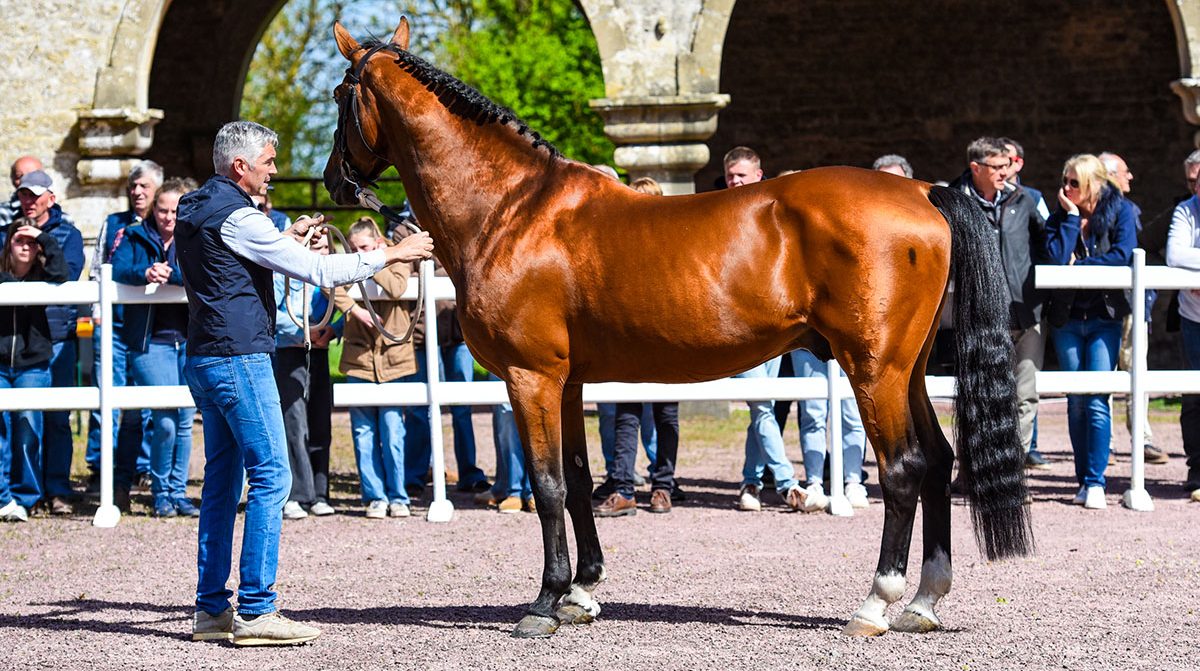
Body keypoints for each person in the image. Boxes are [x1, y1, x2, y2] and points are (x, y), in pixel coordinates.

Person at [177, 121, 433, 645]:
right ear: (240, 166)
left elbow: (236, 263)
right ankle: (256, 609)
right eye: (268, 161)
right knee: (273, 475)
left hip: (205, 356)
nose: (274, 170)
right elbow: (318, 272)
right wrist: (392, 253)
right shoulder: (241, 217)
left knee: (222, 482)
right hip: (241, 358)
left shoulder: (196, 208)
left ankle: (211, 609)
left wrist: (285, 240)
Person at [1044, 154, 1137, 510]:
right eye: (1065, 181)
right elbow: (1055, 259)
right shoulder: (1061, 216)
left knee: (1097, 398)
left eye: (1074, 183)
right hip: (1067, 318)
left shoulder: (1120, 210)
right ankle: (1082, 479)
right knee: (1076, 401)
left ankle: (1096, 482)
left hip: (1104, 315)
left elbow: (1123, 254)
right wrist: (1070, 218)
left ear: (1094, 184)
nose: (1066, 188)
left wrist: (1080, 266)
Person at [949, 137, 1048, 471]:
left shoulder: (1026, 198)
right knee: (981, 396)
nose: (1005, 172)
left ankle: (1012, 472)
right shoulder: (953, 202)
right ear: (976, 168)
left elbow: (1046, 245)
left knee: (1025, 395)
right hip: (980, 317)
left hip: (1025, 313)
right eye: (997, 167)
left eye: (1007, 165)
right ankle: (976, 469)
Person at [593, 176, 684, 517]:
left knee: (666, 416)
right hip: (630, 342)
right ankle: (623, 489)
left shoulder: (674, 244)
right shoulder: (618, 244)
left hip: (665, 340)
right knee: (626, 416)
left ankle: (663, 486)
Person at [111, 177, 199, 518]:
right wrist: (145, 272)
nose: (168, 217)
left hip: (190, 339)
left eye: (175, 211)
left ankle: (178, 492)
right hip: (150, 342)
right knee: (164, 419)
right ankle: (161, 493)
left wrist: (172, 275)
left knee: (185, 419)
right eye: (162, 210)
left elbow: (205, 273)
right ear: (153, 209)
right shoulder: (134, 235)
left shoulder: (196, 237)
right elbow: (118, 269)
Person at [0, 170, 84, 516]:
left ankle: (50, 491)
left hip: (50, 341)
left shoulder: (67, 234)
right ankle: (10, 496)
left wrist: (42, 240)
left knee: (49, 421)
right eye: (23, 194)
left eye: (35, 195)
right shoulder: (6, 233)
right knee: (9, 427)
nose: (29, 201)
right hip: (10, 350)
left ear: (51, 197)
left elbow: (66, 274)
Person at [86, 160, 162, 497]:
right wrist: (97, 311)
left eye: (144, 186)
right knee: (106, 396)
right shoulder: (114, 223)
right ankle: (100, 466)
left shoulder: (163, 223)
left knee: (143, 400)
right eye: (133, 186)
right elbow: (99, 268)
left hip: (147, 324)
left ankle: (139, 468)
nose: (137, 191)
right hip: (113, 323)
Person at [334, 217, 418, 519]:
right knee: (363, 432)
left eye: (365, 247)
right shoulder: (348, 265)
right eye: (354, 249)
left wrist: (375, 261)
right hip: (359, 360)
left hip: (394, 360)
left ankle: (398, 496)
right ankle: (374, 496)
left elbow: (397, 287)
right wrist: (355, 310)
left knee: (393, 431)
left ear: (379, 243)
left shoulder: (398, 259)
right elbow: (331, 286)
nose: (359, 254)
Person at [0, 220, 69, 522]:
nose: (25, 247)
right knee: (0, 432)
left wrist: (44, 237)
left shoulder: (43, 276)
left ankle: (27, 497)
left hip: (33, 364)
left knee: (28, 430)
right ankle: (3, 497)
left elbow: (62, 273)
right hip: (1, 365)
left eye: (32, 242)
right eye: (20, 240)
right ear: (8, 244)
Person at [1099, 151, 1164, 465]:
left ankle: (1142, 437)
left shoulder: (1128, 209)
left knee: (1136, 369)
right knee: (1109, 372)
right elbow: (1124, 253)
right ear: (1110, 175)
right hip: (1111, 303)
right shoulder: (1106, 211)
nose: (1130, 176)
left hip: (1133, 301)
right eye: (1125, 171)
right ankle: (1107, 442)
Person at [274, 233, 341, 520]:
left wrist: (334, 329)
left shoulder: (334, 278)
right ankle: (297, 494)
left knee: (320, 421)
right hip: (290, 351)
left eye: (325, 247)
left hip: (319, 351)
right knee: (294, 422)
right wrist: (303, 330)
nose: (321, 252)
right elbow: (270, 311)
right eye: (315, 246)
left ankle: (320, 492)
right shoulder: (285, 276)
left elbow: (351, 307)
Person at [1165, 164, 1200, 501]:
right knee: (1193, 394)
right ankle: (1198, 469)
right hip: (1195, 317)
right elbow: (1176, 255)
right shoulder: (1186, 211)